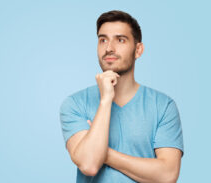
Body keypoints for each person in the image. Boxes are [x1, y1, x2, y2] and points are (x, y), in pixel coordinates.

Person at [59, 10, 184, 183]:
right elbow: (89, 164)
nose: (109, 48)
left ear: (138, 50)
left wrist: (103, 151)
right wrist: (105, 101)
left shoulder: (163, 106)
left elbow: (167, 175)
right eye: (103, 40)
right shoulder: (75, 104)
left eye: (120, 40)